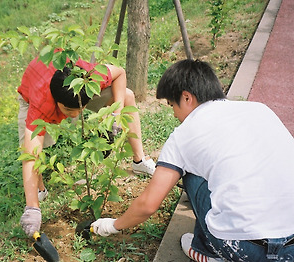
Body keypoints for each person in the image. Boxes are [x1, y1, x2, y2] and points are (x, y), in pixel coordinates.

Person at [91, 59, 294, 261]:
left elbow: (148, 205)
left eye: (172, 105)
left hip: (244, 247)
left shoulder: (184, 135)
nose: (174, 114)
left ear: (187, 97)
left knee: (190, 174)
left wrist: (113, 225)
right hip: (291, 247)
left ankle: (205, 250)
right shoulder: (260, 110)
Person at [18, 53, 156, 238]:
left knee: (126, 95)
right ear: (56, 102)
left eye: (80, 110)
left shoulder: (90, 77)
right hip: (34, 91)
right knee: (34, 150)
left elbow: (120, 73)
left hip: (76, 93)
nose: (75, 116)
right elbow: (30, 155)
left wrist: (116, 114)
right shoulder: (41, 102)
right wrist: (32, 207)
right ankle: (38, 192)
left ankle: (139, 160)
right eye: (68, 111)